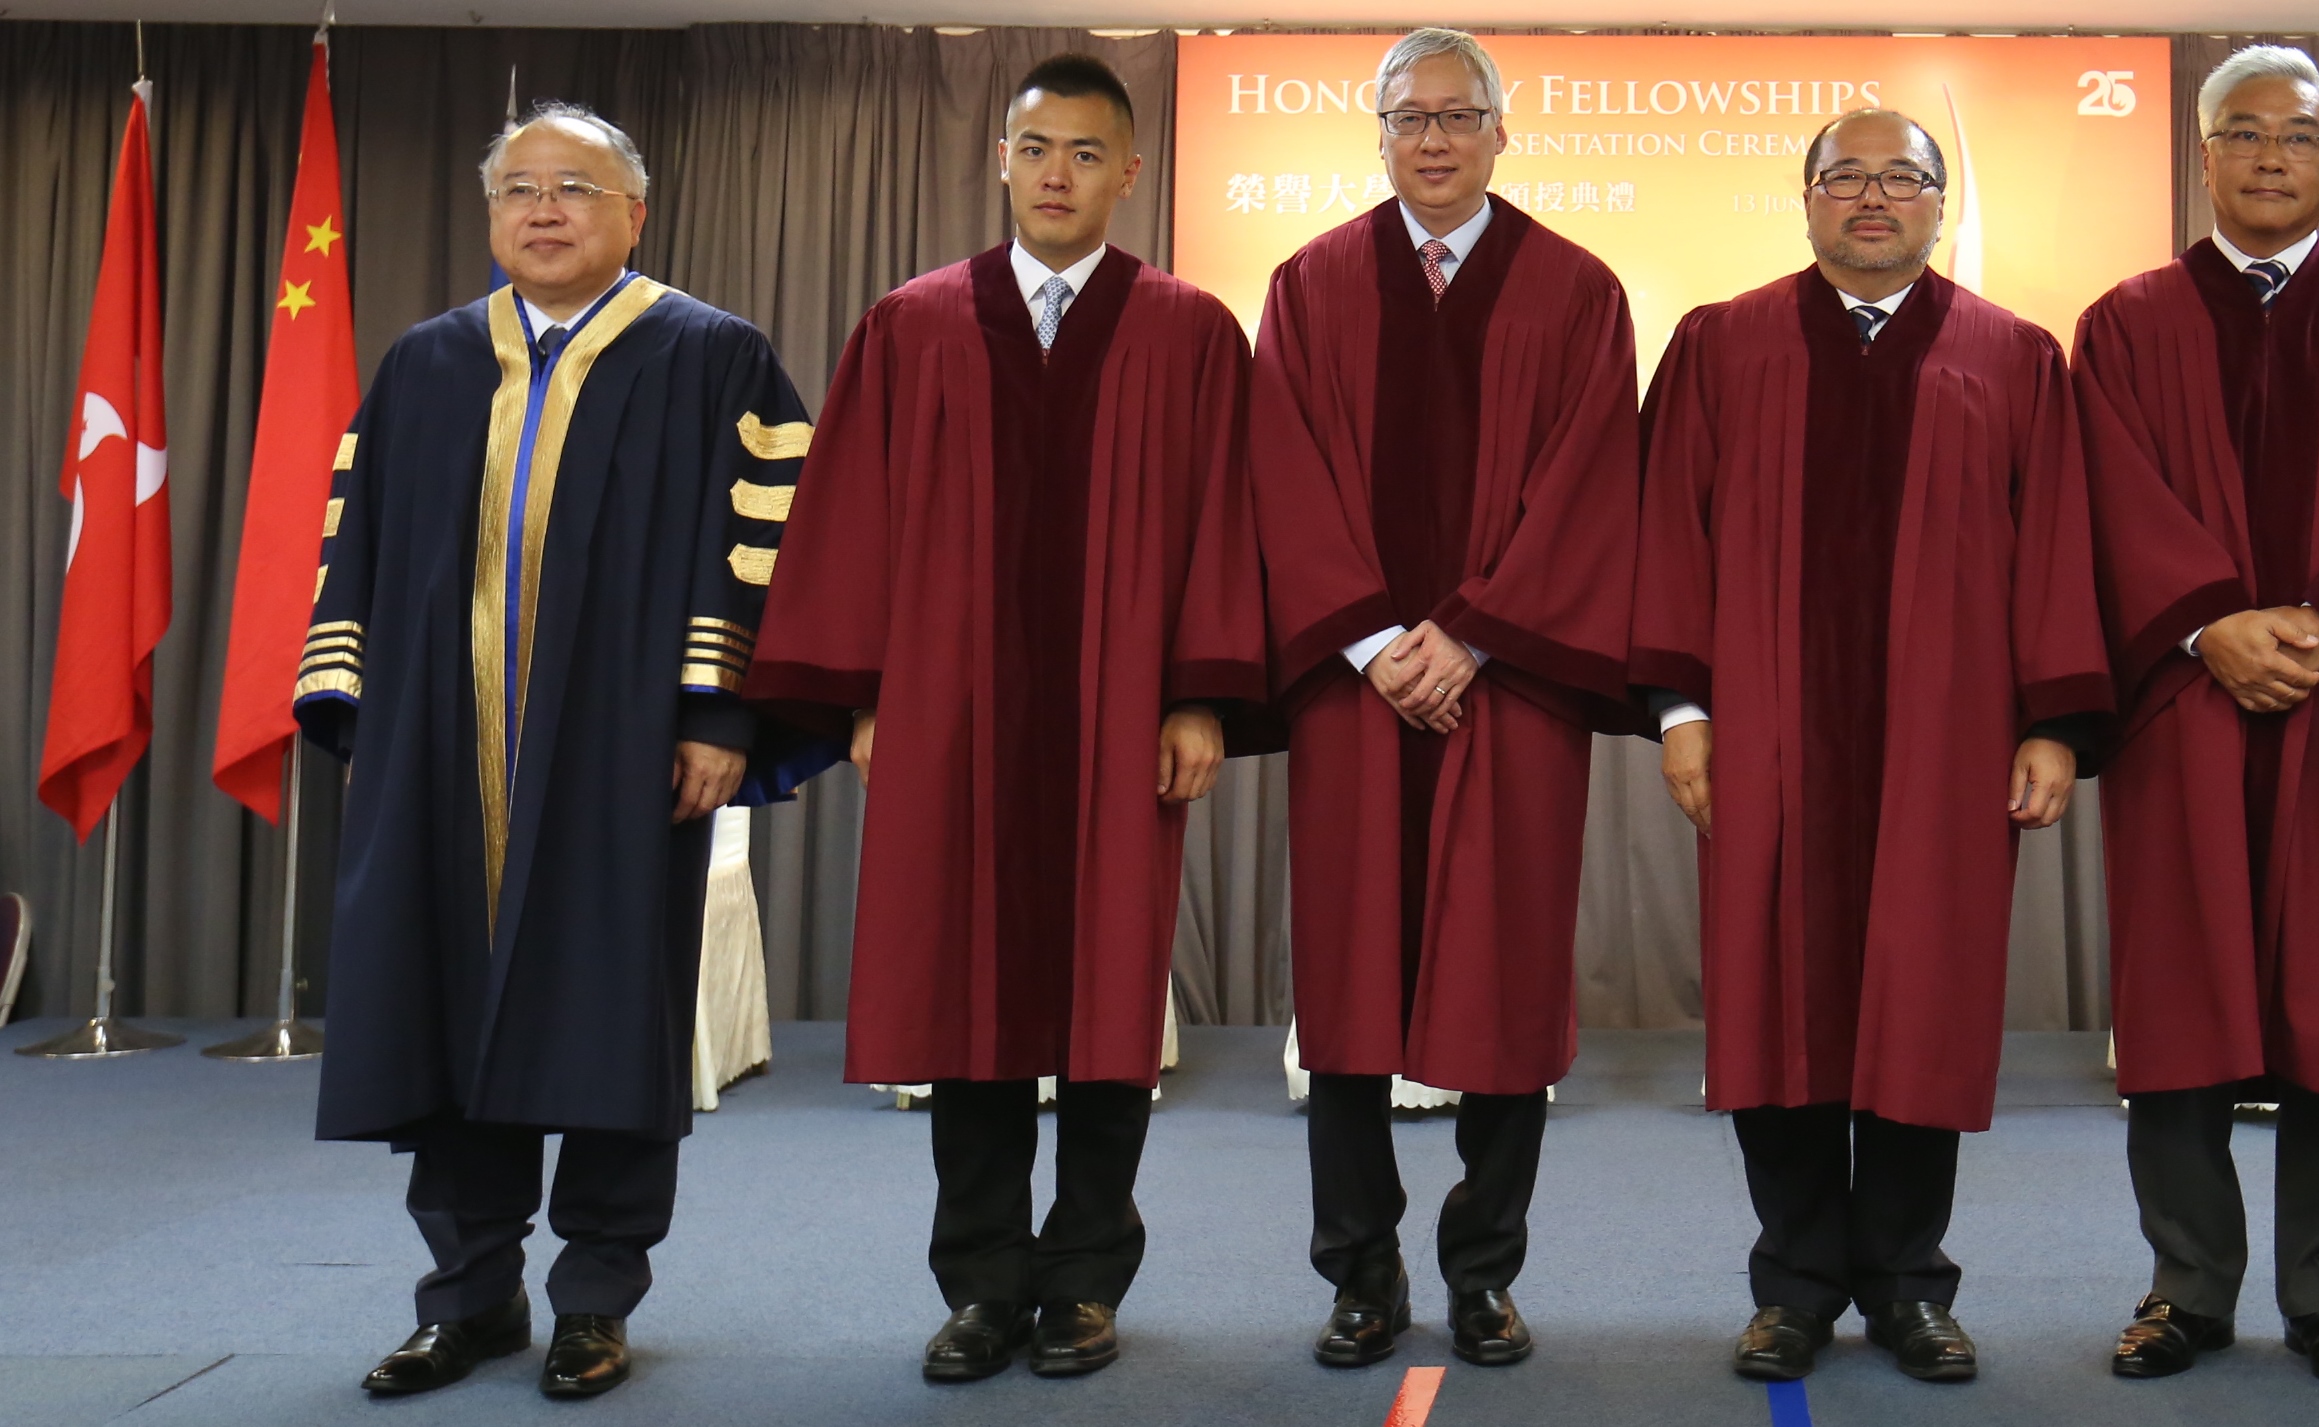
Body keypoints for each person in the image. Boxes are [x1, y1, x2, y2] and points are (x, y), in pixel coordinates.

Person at [739, 55, 1271, 1384]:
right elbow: (848, 515)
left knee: (1104, 996)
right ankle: (980, 1280)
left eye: (1087, 153)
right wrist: (860, 694)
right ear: (999, 156)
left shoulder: (1190, 331)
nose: (1056, 173)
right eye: (1036, 146)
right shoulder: (910, 325)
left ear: (1129, 173)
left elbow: (1226, 522)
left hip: (1118, 719)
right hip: (950, 712)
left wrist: (1199, 689)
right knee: (959, 990)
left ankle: (1086, 1278)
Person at [299, 103, 822, 1401]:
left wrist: (718, 713)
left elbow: (768, 545)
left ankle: (595, 1294)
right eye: (520, 188)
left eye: (575, 187)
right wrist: (362, 717)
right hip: (439, 749)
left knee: (611, 1017)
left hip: (622, 753)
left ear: (634, 213)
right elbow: (353, 550)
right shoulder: (424, 365)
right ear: (492, 218)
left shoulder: (715, 358)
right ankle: (468, 1295)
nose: (545, 209)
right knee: (443, 1013)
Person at [1632, 107, 2112, 1386]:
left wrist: (2053, 724)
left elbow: (2057, 545)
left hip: (1945, 746)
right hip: (1767, 736)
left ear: (1939, 201)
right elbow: (1669, 534)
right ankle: (1791, 1282)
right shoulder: (1720, 344)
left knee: (1922, 1006)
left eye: (1900, 177)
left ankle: (1906, 1282)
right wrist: (1683, 713)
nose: (1871, 198)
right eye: (1844, 177)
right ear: (1803, 199)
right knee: (1774, 999)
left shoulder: (2013, 357)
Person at [2069, 45, 2319, 1395]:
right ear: (2201, 153)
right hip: (2186, 699)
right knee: (2182, 1000)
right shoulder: (2124, 323)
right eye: (2241, 133)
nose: (2267, 156)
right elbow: (2106, 494)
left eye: (2296, 135)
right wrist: (2210, 621)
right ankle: (2185, 1286)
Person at [1248, 27, 1641, 1369]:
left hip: (1511, 686)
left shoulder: (1578, 292)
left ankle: (1483, 1270)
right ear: (1378, 135)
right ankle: (1359, 1273)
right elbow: (1280, 477)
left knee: (1505, 981)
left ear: (1498, 131)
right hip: (1357, 696)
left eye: (1457, 115)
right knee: (1352, 988)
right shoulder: (1308, 287)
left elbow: (1592, 486)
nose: (1432, 138)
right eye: (1408, 118)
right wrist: (1370, 641)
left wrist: (1471, 636)